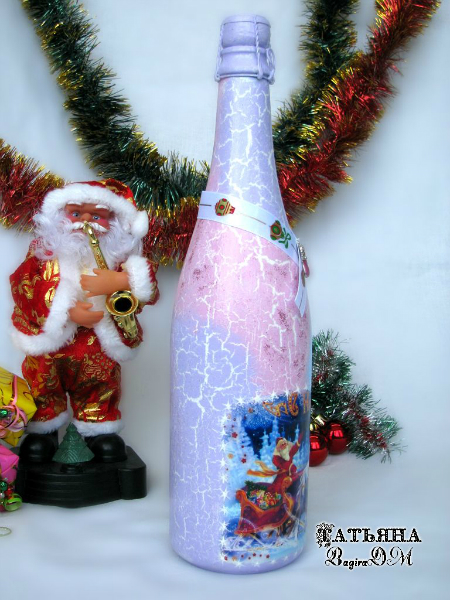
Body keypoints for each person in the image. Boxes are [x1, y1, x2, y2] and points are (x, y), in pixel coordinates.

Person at [10, 179, 159, 463]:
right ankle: (44, 430)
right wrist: (64, 309)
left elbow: (149, 293)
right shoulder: (43, 253)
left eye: (97, 216)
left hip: (97, 343)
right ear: (60, 216)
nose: (86, 222)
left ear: (113, 222)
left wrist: (122, 280)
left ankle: (98, 429)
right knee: (43, 381)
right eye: (76, 213)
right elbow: (22, 284)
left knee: (101, 382)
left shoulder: (121, 259)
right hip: (52, 343)